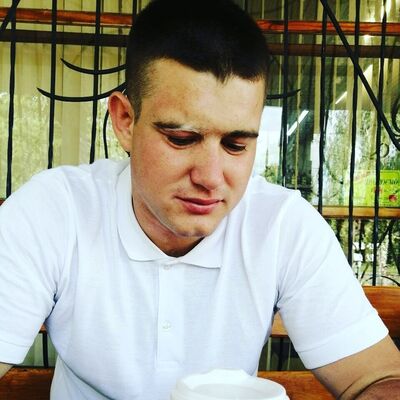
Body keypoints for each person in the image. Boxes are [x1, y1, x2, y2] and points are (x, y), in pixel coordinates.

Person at [0, 0, 399, 398]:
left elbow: (375, 377)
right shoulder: (55, 212)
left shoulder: (282, 226)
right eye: (181, 139)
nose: (210, 177)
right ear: (125, 121)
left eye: (236, 144)